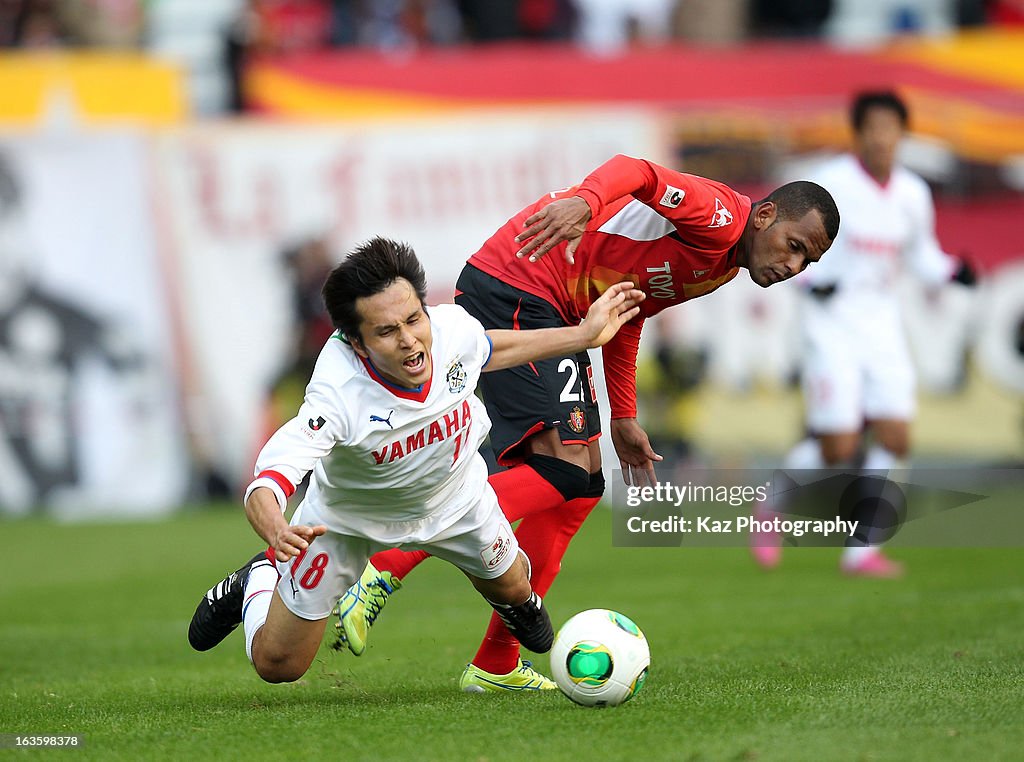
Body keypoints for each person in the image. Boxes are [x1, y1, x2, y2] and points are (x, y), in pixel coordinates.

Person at [333, 154, 841, 692]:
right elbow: (641, 171)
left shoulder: (721, 267)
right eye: (794, 245)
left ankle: (496, 664)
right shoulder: (719, 216)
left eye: (807, 261)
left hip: (550, 308)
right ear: (764, 216)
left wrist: (623, 417)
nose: (794, 267)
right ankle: (385, 564)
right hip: (521, 286)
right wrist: (588, 201)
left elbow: (628, 310)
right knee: (570, 466)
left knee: (578, 490)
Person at [186, 236, 644, 684]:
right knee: (278, 666)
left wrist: (583, 335)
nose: (409, 340)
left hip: (459, 502)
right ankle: (260, 577)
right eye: (387, 331)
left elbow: (491, 349)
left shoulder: (449, 331)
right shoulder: (336, 396)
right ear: (357, 344)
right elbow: (266, 484)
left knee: (524, 603)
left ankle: (506, 622)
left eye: (413, 319)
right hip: (348, 524)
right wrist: (277, 531)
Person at [751, 91, 976, 577]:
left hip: (882, 326)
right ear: (858, 133)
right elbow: (786, 244)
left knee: (895, 436)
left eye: (890, 128)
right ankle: (771, 507)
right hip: (831, 327)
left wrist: (953, 271)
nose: (881, 138)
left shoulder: (913, 193)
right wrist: (815, 279)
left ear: (902, 135)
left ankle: (862, 552)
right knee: (837, 445)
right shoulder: (830, 186)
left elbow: (921, 256)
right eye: (872, 128)